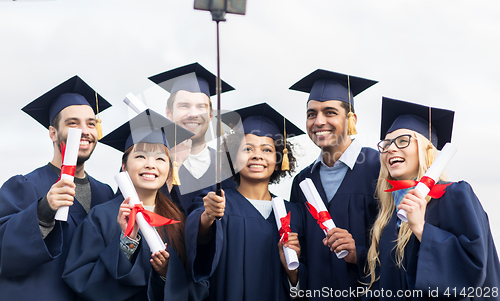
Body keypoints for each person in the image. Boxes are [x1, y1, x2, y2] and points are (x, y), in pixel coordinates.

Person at [63, 109, 209, 301]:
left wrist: (167, 272)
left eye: (160, 158)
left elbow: (200, 286)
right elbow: (82, 280)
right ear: (124, 166)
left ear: (169, 169)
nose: (150, 164)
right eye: (140, 156)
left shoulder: (177, 220)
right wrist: (127, 244)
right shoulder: (102, 217)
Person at [364, 97, 500, 300]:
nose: (391, 148)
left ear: (426, 150)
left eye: (403, 141)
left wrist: (421, 229)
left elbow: (474, 268)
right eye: (387, 143)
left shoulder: (455, 195)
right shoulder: (389, 211)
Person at [0, 76, 115, 300]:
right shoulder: (24, 186)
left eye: (91, 123)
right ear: (52, 132)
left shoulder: (105, 194)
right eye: (73, 123)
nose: (85, 131)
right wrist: (43, 210)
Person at [185, 102, 306, 301]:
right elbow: (199, 238)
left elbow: (302, 286)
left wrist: (293, 271)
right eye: (247, 148)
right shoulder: (218, 201)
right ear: (233, 159)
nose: (257, 155)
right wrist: (207, 217)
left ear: (278, 161)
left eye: (267, 150)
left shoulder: (294, 213)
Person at [288, 69, 380, 300]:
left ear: (351, 120)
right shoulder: (302, 181)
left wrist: (359, 254)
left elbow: (399, 246)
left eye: (330, 112)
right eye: (311, 114)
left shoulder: (380, 169)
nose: (319, 122)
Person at [149, 62, 236, 213]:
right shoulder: (145, 159)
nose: (193, 114)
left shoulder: (227, 167)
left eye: (201, 107)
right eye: (184, 106)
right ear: (168, 113)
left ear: (210, 115)